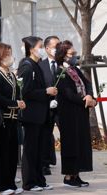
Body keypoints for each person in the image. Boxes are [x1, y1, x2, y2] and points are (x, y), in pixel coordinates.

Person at [17, 36, 57, 192]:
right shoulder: (27, 66)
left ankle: (40, 180)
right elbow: (25, 92)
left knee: (40, 150)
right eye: (40, 46)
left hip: (41, 114)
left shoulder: (36, 64)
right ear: (31, 48)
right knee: (31, 150)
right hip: (32, 115)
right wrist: (45, 92)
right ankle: (29, 182)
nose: (42, 49)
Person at [55, 40, 95, 187]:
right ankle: (68, 176)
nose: (74, 56)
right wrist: (86, 100)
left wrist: (90, 96)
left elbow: (87, 83)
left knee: (81, 144)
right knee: (71, 144)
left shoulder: (74, 69)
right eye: (72, 54)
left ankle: (76, 175)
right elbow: (68, 94)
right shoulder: (60, 72)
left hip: (81, 112)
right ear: (63, 55)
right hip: (68, 115)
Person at [0, 42, 25, 195]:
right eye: (7, 54)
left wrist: (20, 102)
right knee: (0, 154)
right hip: (1, 119)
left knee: (11, 154)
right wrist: (14, 103)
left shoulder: (10, 73)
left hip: (13, 119)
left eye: (10, 53)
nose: (10, 57)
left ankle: (10, 184)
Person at [38, 36, 61, 176]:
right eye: (55, 46)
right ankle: (44, 163)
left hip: (62, 106)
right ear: (47, 48)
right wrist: (48, 100)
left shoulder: (64, 65)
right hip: (46, 105)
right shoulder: (41, 65)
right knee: (46, 134)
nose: (58, 49)